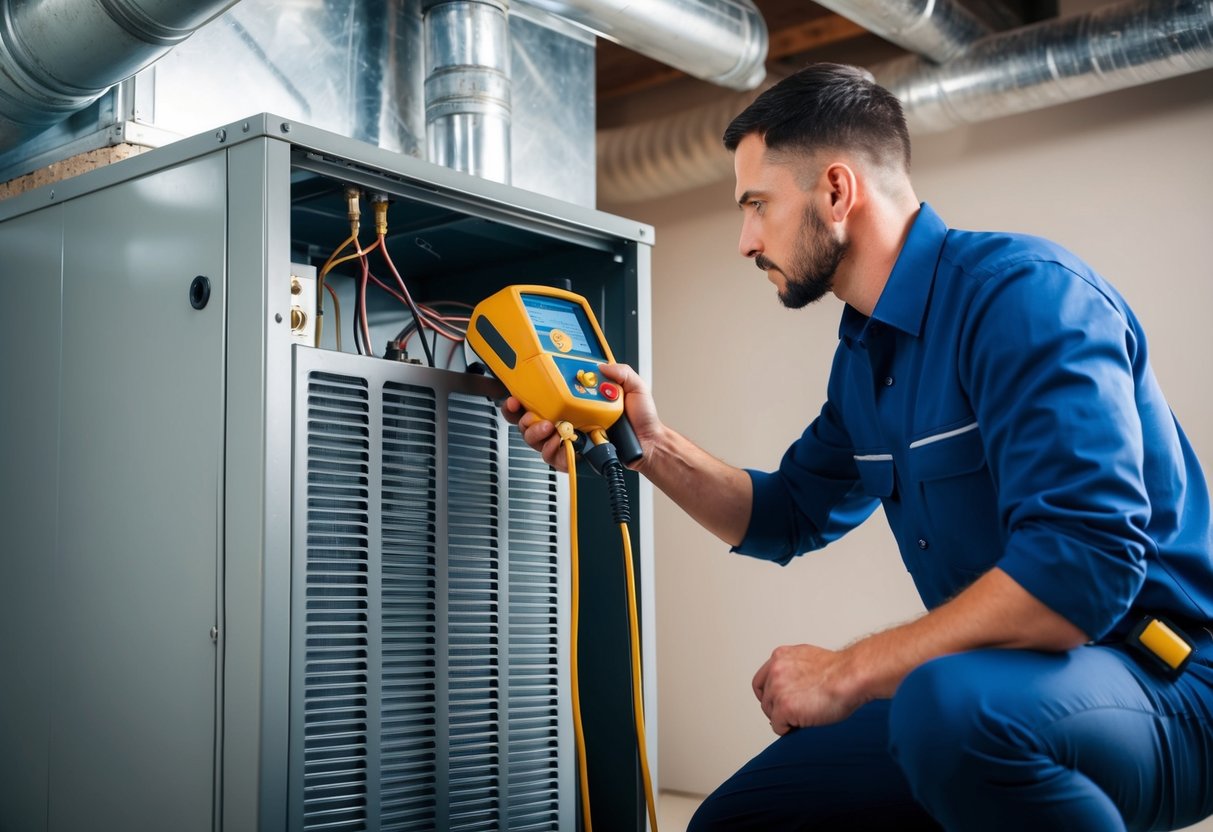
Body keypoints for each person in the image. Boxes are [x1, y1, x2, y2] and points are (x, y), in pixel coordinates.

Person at [507, 63, 1213, 831]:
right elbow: (785, 513)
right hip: (1002, 690)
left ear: (836, 192)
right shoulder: (863, 360)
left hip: (1165, 684)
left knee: (945, 709)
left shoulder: (1025, 297)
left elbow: (1079, 570)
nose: (745, 242)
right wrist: (648, 444)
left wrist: (846, 671)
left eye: (756, 205)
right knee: (738, 821)